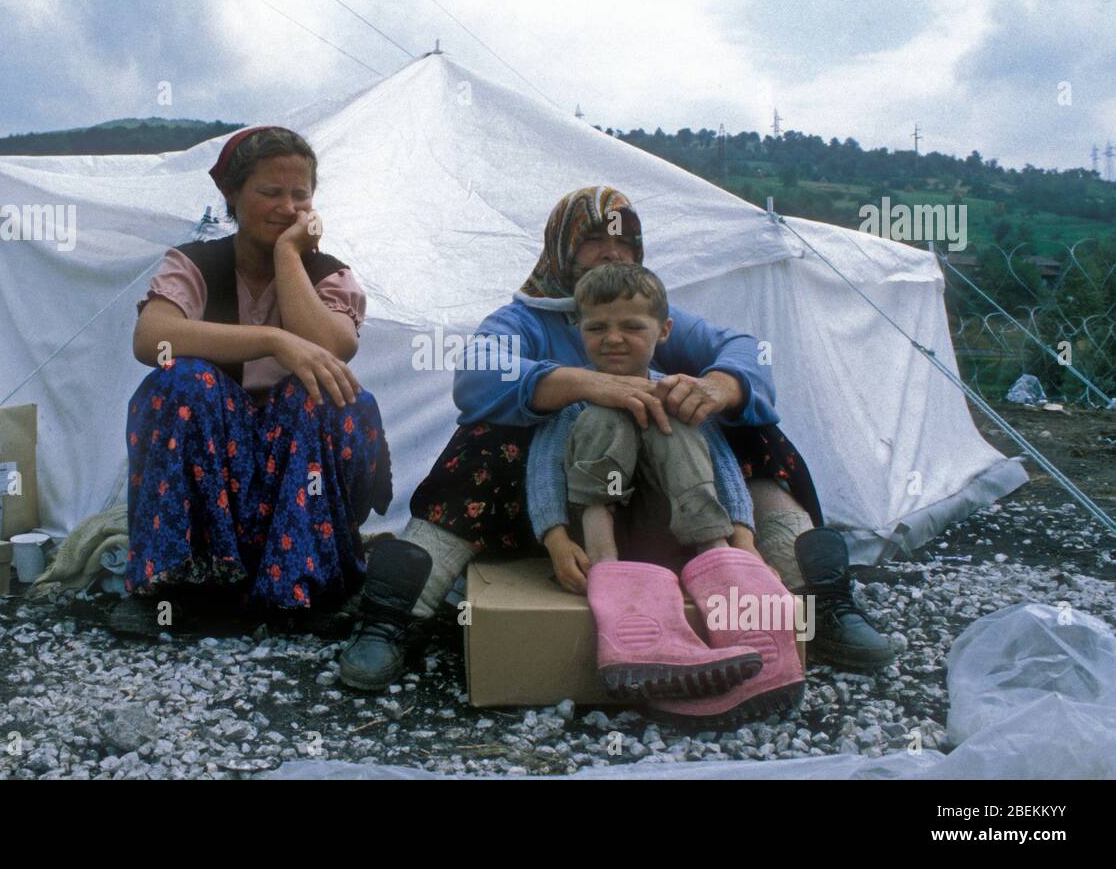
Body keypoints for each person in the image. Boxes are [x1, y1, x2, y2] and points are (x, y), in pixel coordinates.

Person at [339, 185, 891, 690]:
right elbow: (478, 376)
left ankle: (815, 602)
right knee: (486, 442)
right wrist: (585, 385)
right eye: (592, 240)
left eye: (624, 241)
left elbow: (744, 350)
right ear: (561, 248)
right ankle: (395, 616)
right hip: (559, 508)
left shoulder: (645, 310)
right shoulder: (522, 321)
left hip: (666, 504)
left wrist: (720, 387)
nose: (611, 253)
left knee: (753, 431)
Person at [113, 126, 392, 635]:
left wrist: (288, 255)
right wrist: (272, 341)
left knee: (325, 396)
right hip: (215, 451)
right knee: (182, 382)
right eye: (270, 193)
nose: (288, 207)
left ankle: (304, 583)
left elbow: (331, 348)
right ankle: (173, 584)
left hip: (295, 450)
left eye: (300, 195)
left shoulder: (329, 274)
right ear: (232, 195)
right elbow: (152, 340)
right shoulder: (194, 263)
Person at [530, 261, 805, 722]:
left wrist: (743, 540)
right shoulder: (574, 396)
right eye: (597, 327)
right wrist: (556, 540)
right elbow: (541, 473)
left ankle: (724, 572)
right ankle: (624, 603)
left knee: (673, 420)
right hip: (604, 541)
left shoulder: (680, 392)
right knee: (602, 417)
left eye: (631, 326)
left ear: (664, 331)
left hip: (677, 536)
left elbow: (721, 465)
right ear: (579, 330)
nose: (613, 338)